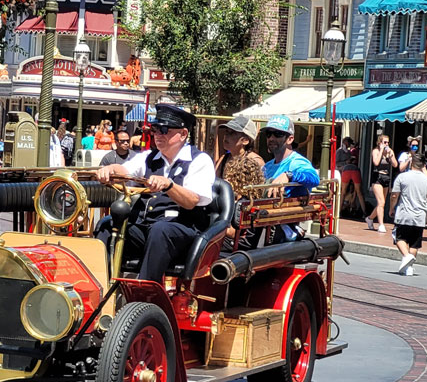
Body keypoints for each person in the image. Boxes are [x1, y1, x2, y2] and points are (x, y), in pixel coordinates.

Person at [95, 104, 216, 282]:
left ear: (183, 134)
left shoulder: (200, 160)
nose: (158, 135)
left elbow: (192, 200)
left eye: (164, 130)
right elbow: (125, 169)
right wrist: (109, 169)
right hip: (147, 227)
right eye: (155, 129)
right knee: (107, 225)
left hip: (183, 230)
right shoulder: (149, 157)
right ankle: (100, 285)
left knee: (160, 230)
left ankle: (145, 294)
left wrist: (169, 185)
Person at [216, 115, 266, 248]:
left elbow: (251, 198)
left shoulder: (254, 162)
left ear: (245, 140)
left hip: (237, 224)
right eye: (226, 132)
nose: (226, 136)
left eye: (231, 133)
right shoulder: (223, 159)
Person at [389, 155, 427, 276]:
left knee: (398, 237)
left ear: (411, 163)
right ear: (423, 165)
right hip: (420, 216)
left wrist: (391, 208)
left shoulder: (402, 177)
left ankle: (406, 256)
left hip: (404, 213)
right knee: (414, 242)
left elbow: (394, 195)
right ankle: (409, 267)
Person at [262, 114, 319, 198]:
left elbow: (314, 178)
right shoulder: (267, 166)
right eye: (268, 134)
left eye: (278, 134)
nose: (271, 138)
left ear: (290, 139)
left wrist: (289, 175)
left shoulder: (296, 161)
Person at [365, 133, 395, 233]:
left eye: (387, 142)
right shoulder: (375, 151)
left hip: (386, 177)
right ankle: (381, 224)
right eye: (384, 142)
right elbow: (376, 163)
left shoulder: (389, 151)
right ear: (379, 143)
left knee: (382, 203)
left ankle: (370, 218)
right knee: (381, 202)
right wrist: (381, 150)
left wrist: (390, 155)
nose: (386, 144)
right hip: (377, 177)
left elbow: (395, 165)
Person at [335, 136, 365, 216]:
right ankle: (340, 210)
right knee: (343, 191)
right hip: (343, 171)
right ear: (345, 142)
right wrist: (346, 162)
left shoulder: (348, 152)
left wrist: (351, 161)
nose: (349, 145)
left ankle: (354, 206)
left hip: (350, 170)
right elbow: (336, 163)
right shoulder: (339, 151)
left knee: (356, 190)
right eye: (348, 143)